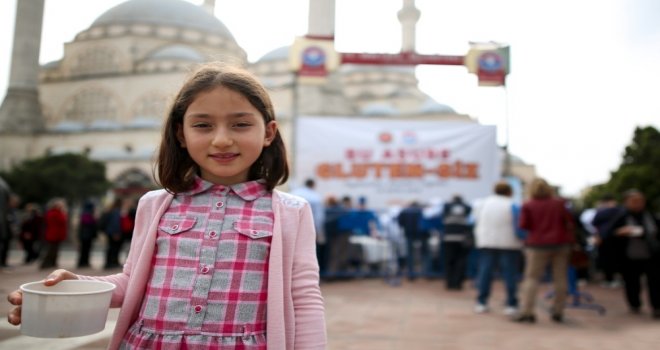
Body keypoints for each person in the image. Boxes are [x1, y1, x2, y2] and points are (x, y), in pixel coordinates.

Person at [8, 62, 326, 349]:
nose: (221, 140)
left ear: (269, 132)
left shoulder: (290, 211)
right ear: (181, 133)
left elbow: (305, 299)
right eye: (203, 125)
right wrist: (71, 289)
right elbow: (132, 282)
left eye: (240, 124)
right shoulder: (155, 204)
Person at [514, 178, 575, 323]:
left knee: (532, 278)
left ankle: (527, 311)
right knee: (560, 277)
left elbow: (523, 225)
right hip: (561, 244)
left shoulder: (528, 205)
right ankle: (558, 311)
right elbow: (570, 222)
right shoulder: (559, 203)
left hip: (537, 245)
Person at [606, 189, 660, 319]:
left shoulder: (649, 216)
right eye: (634, 201)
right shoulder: (621, 217)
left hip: (650, 254)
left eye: (640, 201)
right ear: (626, 202)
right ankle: (634, 304)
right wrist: (620, 232)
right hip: (628, 256)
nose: (638, 204)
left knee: (655, 282)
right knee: (631, 282)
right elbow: (608, 234)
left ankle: (657, 307)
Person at [473, 181, 524, 316]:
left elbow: (473, 220)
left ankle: (481, 302)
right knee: (510, 275)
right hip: (509, 243)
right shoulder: (512, 204)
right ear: (509, 191)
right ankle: (511, 304)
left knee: (485, 273)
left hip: (486, 242)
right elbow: (518, 226)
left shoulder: (482, 204)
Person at [291, 178, 326, 274]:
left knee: (293, 252)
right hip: (309, 228)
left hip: (291, 227)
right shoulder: (315, 197)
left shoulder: (294, 193)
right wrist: (319, 232)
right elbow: (319, 217)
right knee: (309, 252)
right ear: (313, 185)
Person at [441, 194, 473, 290]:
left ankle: (450, 283)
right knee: (461, 261)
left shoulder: (447, 206)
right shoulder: (466, 207)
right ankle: (458, 283)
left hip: (449, 238)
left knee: (449, 261)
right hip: (462, 238)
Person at [591, 193, 623, 287]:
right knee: (617, 258)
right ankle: (617, 278)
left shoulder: (601, 211)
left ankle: (609, 278)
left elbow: (594, 224)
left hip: (604, 237)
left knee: (606, 259)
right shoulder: (620, 210)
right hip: (618, 237)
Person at [398, 200, 430, 280]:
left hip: (410, 234)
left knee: (410, 254)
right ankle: (426, 273)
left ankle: (411, 274)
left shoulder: (405, 211)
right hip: (423, 234)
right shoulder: (422, 211)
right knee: (425, 254)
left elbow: (400, 223)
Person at [40, 198, 68, 269]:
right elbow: (62, 220)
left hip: (56, 234)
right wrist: (63, 213)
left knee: (54, 250)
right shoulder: (54, 213)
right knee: (51, 250)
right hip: (53, 234)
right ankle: (46, 263)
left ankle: (52, 263)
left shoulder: (55, 212)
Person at [100, 198, 123, 269]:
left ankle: (108, 262)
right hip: (113, 232)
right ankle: (111, 262)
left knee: (110, 247)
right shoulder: (116, 211)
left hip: (109, 232)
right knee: (113, 248)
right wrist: (116, 232)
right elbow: (115, 223)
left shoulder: (110, 210)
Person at [77, 201, 98, 268]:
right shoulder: (86, 213)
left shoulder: (88, 213)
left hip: (87, 234)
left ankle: (85, 261)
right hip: (86, 234)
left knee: (87, 249)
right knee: (84, 249)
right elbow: (88, 222)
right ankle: (83, 262)